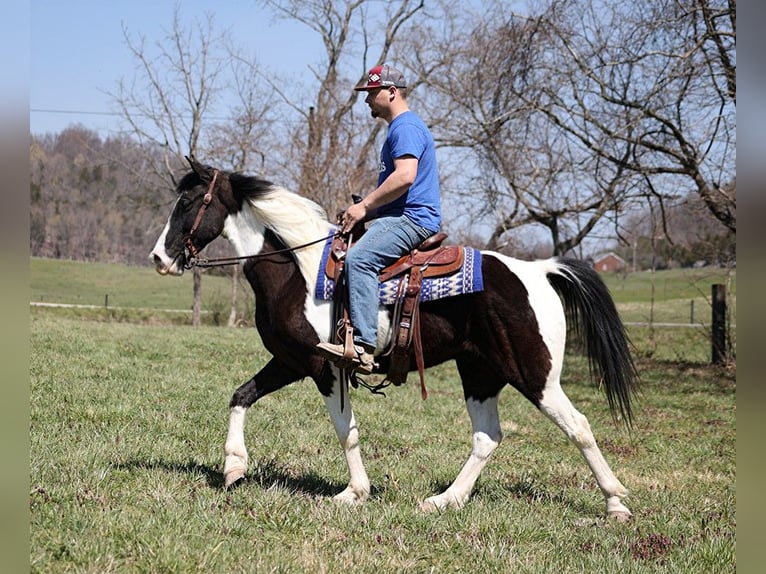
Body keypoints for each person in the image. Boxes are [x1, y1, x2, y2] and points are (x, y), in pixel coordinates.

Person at [316, 64, 442, 375]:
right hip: (399, 215)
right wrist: (363, 211)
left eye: (371, 93)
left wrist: (366, 206)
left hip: (413, 219)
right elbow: (396, 191)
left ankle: (363, 347)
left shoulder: (405, 128)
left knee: (359, 260)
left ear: (392, 92)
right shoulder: (398, 129)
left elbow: (405, 177)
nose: (367, 100)